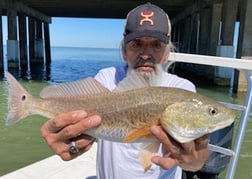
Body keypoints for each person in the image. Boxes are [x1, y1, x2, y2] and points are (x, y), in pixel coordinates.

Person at [40, 3, 210, 179]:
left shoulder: (183, 90)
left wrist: (193, 161)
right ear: (124, 51)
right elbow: (87, 127)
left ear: (167, 53)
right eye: (136, 44)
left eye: (156, 45)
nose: (145, 54)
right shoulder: (107, 79)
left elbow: (196, 157)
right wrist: (72, 143)